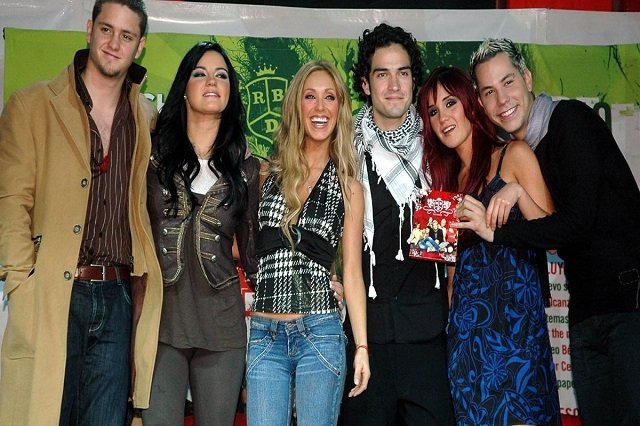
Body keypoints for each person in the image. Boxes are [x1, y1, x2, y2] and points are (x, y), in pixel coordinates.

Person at [458, 38, 640, 426]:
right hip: (586, 312)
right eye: (488, 92)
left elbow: (576, 224)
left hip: (630, 303)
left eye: (508, 82)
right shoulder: (527, 150)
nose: (501, 99)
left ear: (527, 78)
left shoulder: (569, 120)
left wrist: (499, 230)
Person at [0, 1, 162, 424]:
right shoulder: (32, 104)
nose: (114, 43)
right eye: (107, 30)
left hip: (117, 296)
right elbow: (12, 202)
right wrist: (22, 282)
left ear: (140, 46)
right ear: (89, 29)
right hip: (54, 293)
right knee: (43, 415)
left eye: (126, 35)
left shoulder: (145, 116)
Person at [418, 66, 560, 425]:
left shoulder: (514, 153)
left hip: (516, 336)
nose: (443, 117)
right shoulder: (441, 186)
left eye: (450, 103)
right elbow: (450, 281)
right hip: (467, 343)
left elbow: (554, 234)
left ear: (472, 102)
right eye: (433, 111)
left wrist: (518, 193)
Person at [340, 23, 454, 425]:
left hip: (427, 336)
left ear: (413, 81)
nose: (393, 85)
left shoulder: (438, 146)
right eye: (382, 74)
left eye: (402, 73)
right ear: (365, 84)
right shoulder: (344, 147)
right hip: (365, 338)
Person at [246, 60, 369, 426]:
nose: (320, 107)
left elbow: (352, 272)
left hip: (320, 333)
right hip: (264, 335)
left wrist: (362, 346)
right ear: (295, 106)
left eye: (330, 97)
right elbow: (246, 246)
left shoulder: (349, 187)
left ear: (340, 108)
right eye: (310, 96)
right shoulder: (266, 173)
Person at [142, 41, 259, 425]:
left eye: (221, 75)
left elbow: (255, 251)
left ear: (230, 92)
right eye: (200, 73)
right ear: (184, 87)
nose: (212, 81)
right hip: (160, 324)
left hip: (222, 328)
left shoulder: (246, 167)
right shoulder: (151, 156)